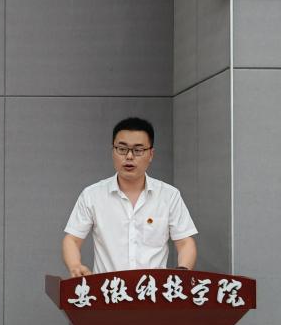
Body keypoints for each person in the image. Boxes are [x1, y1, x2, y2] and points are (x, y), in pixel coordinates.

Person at [63, 117, 197, 276]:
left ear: (151, 154)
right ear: (113, 151)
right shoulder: (92, 195)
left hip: (153, 289)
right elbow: (72, 239)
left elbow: (185, 242)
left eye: (138, 150)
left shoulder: (169, 196)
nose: (129, 156)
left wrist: (182, 272)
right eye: (122, 149)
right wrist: (75, 265)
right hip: (108, 289)